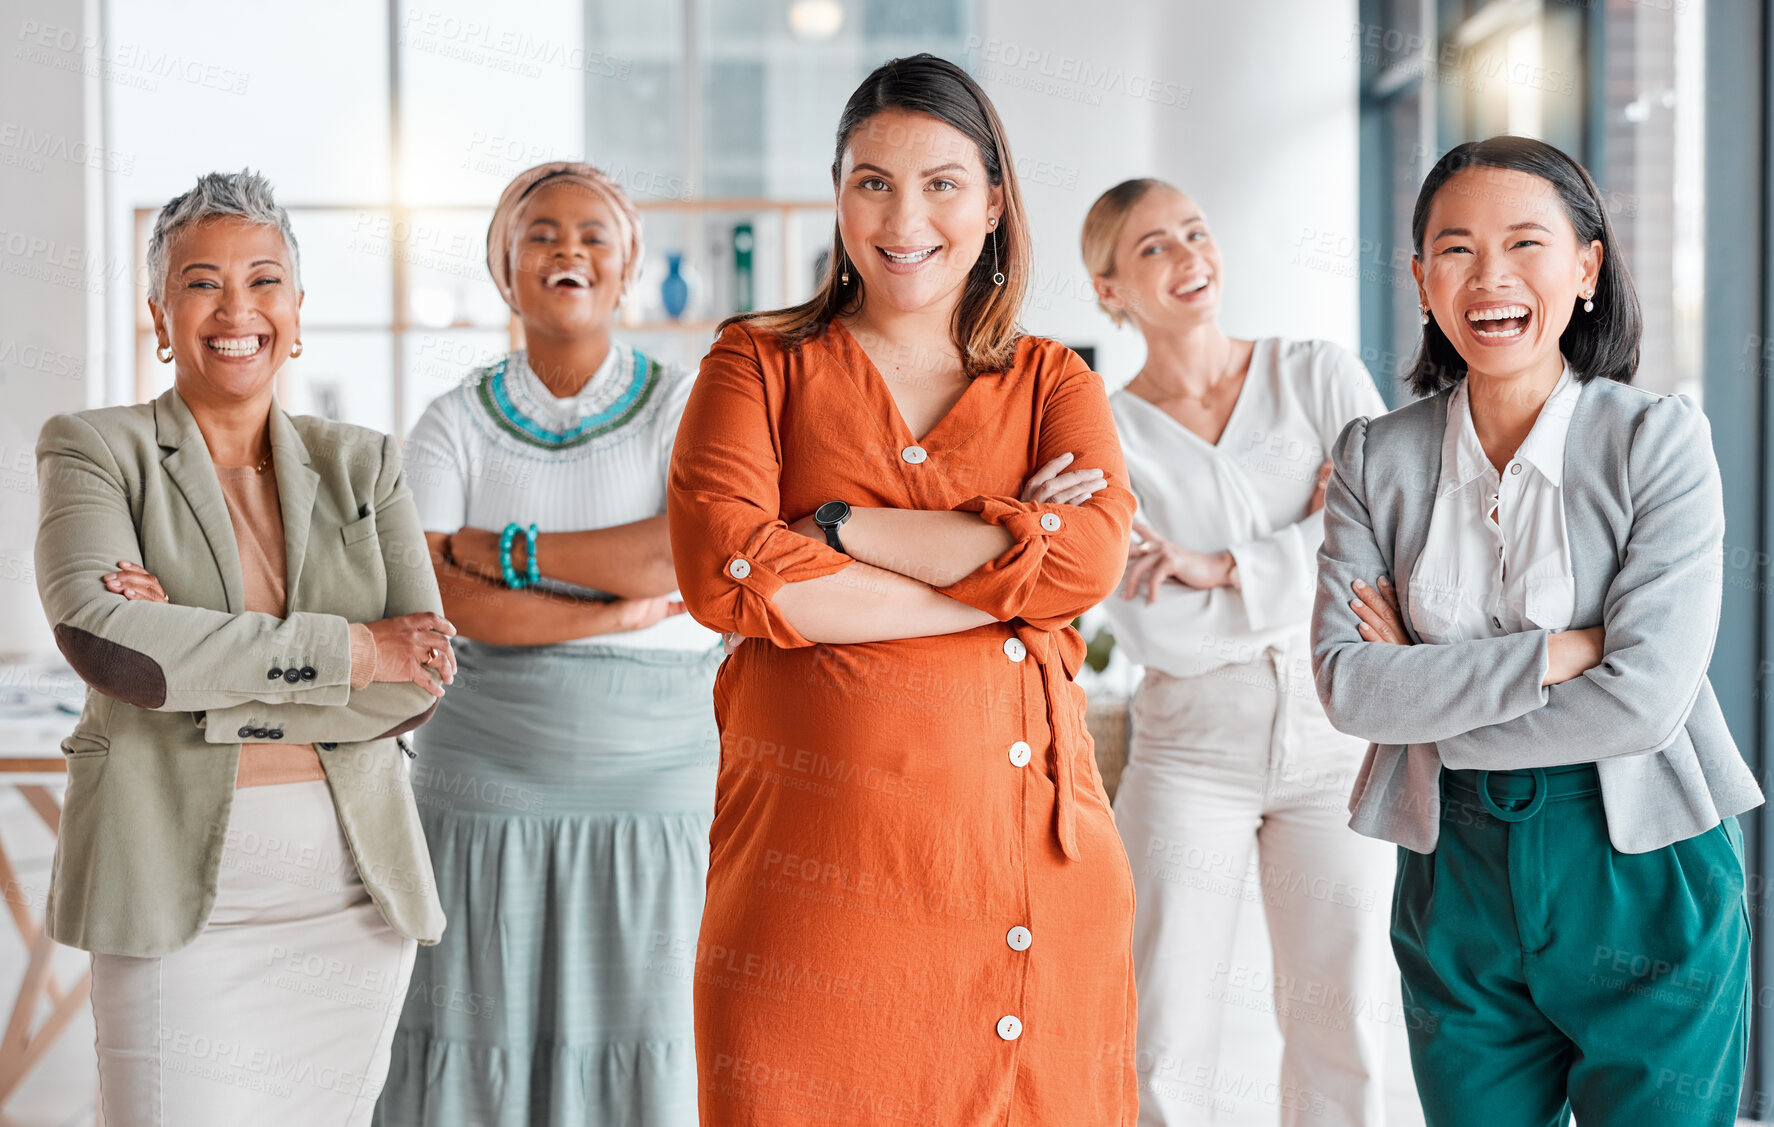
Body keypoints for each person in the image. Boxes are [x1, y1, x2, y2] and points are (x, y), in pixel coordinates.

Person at [668, 54, 1137, 1126]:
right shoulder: (755, 362)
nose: (902, 215)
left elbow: (1085, 564)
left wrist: (836, 528)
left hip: (1017, 876)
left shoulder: (1051, 379)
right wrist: (1001, 576)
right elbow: (723, 565)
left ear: (992, 202)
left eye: (940, 182)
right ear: (837, 195)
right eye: (870, 180)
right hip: (811, 888)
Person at [1312, 135, 1763, 1127]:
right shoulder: (1372, 457)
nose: (1491, 278)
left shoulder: (1658, 441)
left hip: (1643, 869)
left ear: (1586, 267)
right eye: (1457, 249)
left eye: (1525, 244)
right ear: (1423, 277)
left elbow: (1642, 702)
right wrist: (1564, 651)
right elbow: (1347, 687)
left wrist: (1424, 689)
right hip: (1455, 874)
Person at [34, 170, 452, 1127]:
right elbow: (113, 650)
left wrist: (196, 646)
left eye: (263, 281)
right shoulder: (98, 450)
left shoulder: (364, 462)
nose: (236, 309)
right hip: (172, 895)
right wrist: (354, 648)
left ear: (296, 310)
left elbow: (419, 680)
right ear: (160, 311)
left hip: (351, 902)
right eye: (200, 282)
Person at [374, 162, 719, 1127]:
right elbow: (440, 597)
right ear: (503, 269)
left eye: (594, 234)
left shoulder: (683, 405)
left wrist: (508, 550)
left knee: (652, 1038)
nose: (568, 248)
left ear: (629, 267)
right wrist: (604, 610)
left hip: (656, 791)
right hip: (485, 787)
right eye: (539, 232)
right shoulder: (452, 423)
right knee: (480, 1037)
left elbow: (676, 555)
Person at [1082, 177, 1395, 1125]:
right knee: (1162, 1030)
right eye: (1152, 248)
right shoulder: (1105, 428)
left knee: (1343, 1017)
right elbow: (1147, 623)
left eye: (1196, 232)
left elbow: (1380, 544)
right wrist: (1308, 535)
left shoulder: (1318, 374)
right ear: (1110, 291)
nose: (1189, 258)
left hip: (1332, 728)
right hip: (1190, 744)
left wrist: (1218, 567)